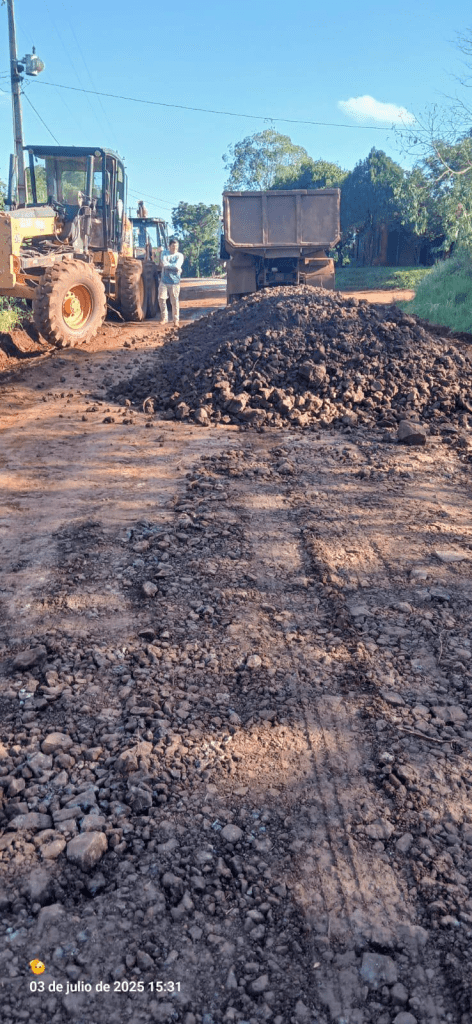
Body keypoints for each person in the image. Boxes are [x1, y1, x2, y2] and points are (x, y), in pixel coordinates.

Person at [159, 237, 184, 324]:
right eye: (173, 246)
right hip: (164, 281)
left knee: (174, 301)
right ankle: (164, 318)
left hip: (175, 282)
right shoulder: (164, 253)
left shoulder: (180, 255)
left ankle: (176, 320)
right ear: (169, 246)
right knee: (161, 299)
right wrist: (175, 268)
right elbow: (164, 263)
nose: (175, 248)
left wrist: (168, 266)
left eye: (176, 246)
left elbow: (177, 265)